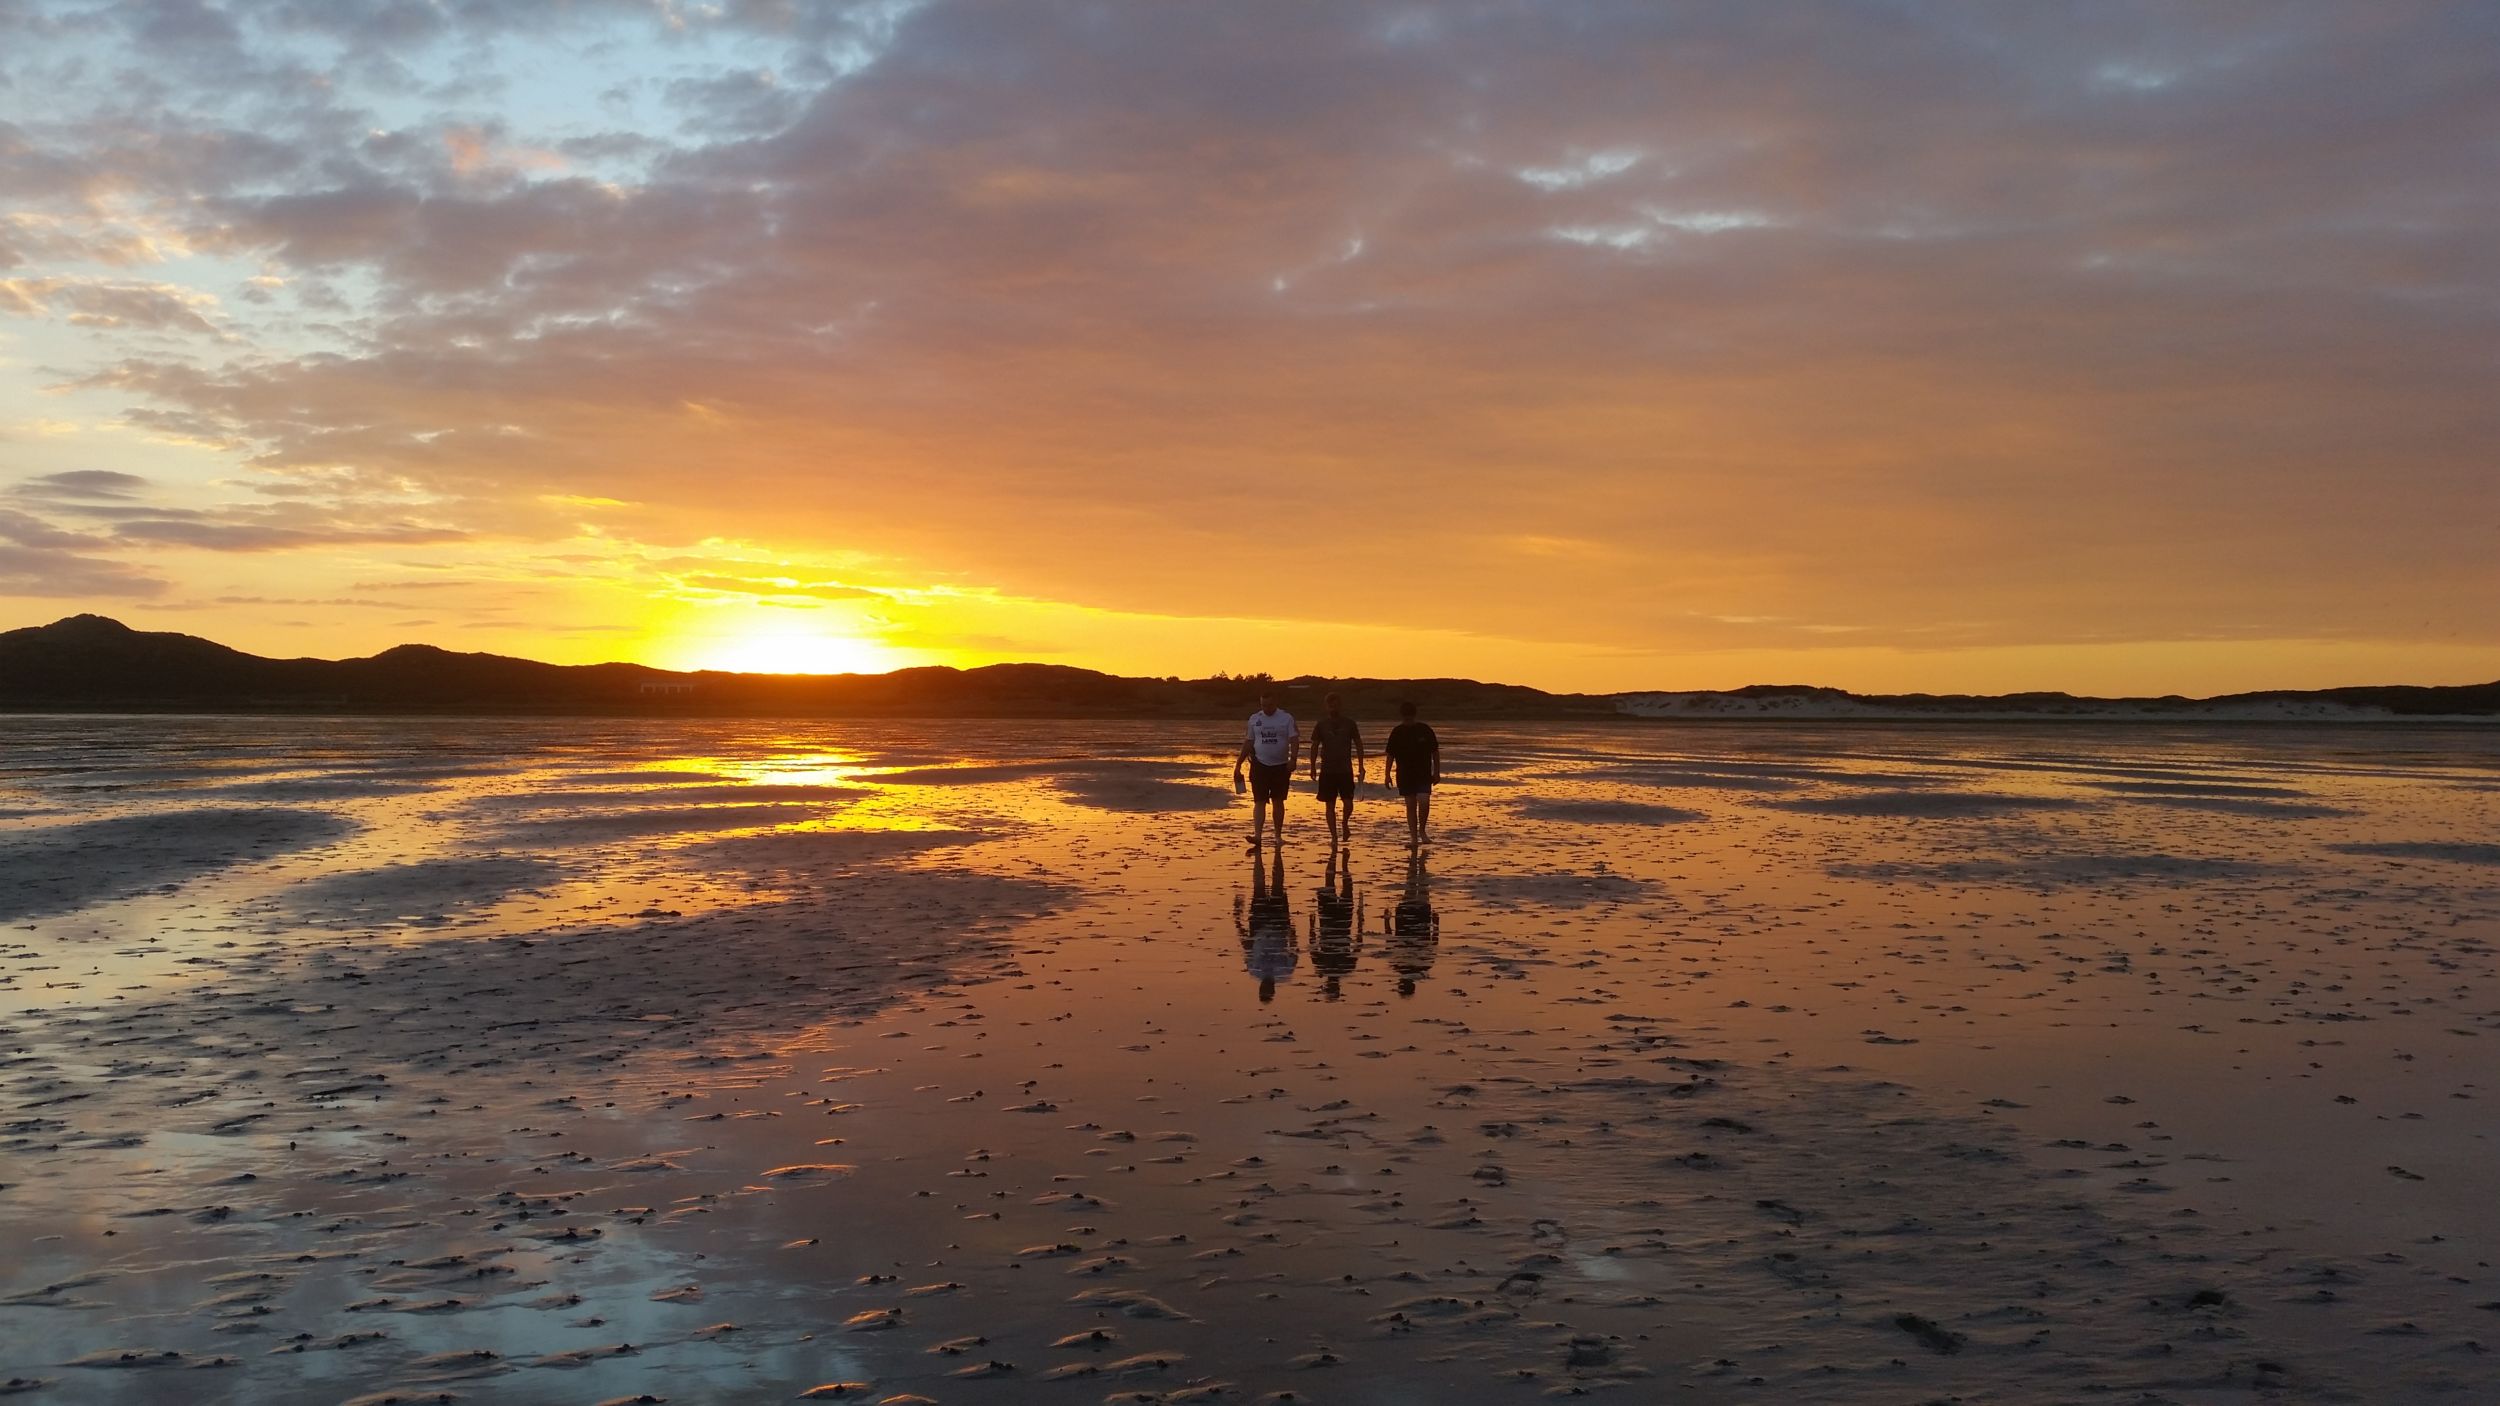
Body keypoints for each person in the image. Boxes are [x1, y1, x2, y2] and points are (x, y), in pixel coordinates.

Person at [1232, 687, 1299, 850]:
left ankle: (1277, 836)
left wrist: (1293, 759)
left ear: (1275, 703)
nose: (1266, 708)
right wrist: (1239, 763)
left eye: (1269, 705)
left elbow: (1294, 739)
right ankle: (1258, 836)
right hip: (1259, 765)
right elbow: (1249, 742)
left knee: (1278, 801)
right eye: (1263, 705)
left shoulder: (1286, 718)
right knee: (1259, 801)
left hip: (1280, 766)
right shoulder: (1255, 719)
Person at [1236, 847, 1297, 1003]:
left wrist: (1238, 919)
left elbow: (1247, 946)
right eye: (1267, 990)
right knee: (1278, 886)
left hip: (1259, 925)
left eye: (1264, 990)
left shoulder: (1254, 970)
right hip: (1279, 926)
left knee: (1259, 887)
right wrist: (1292, 933)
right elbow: (1294, 954)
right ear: (1273, 990)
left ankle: (1261, 858)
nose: (1266, 988)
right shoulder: (1284, 972)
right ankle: (1277, 855)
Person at [1306, 691, 1366, 845]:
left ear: (1340, 705)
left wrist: (1361, 765)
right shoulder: (1321, 725)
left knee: (1348, 803)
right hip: (1327, 770)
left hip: (1345, 769)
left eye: (1335, 704)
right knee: (1329, 805)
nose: (1333, 707)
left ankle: (1345, 823)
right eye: (1330, 705)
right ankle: (1333, 837)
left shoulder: (1349, 723)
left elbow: (1358, 744)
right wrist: (1312, 766)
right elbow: (1314, 746)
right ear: (1326, 707)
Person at [1382, 700, 1440, 848]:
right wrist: (1387, 774)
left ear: (1414, 715)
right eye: (1405, 717)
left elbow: (1435, 752)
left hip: (1423, 773)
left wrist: (1437, 772)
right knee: (1410, 805)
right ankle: (1414, 837)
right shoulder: (1397, 732)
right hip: (1405, 774)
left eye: (1410, 717)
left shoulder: (1425, 730)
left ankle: (1422, 830)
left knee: (1424, 802)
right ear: (1402, 716)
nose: (1408, 720)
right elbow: (1390, 755)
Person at [1307, 846, 1360, 1001]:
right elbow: (1313, 945)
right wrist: (1311, 927)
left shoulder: (1344, 968)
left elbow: (1357, 946)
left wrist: (1360, 925)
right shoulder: (1324, 967)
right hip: (1331, 923)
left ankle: (1341, 862)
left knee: (1343, 887)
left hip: (1341, 924)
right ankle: (1339, 861)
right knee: (1330, 884)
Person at [1385, 851, 1439, 997]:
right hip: (1405, 917)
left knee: (1421, 886)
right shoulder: (1397, 965)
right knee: (1410, 886)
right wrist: (1387, 920)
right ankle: (1416, 860)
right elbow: (1390, 939)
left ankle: (1419, 861)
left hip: (1419, 917)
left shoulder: (1424, 965)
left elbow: (1433, 942)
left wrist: (1436, 924)